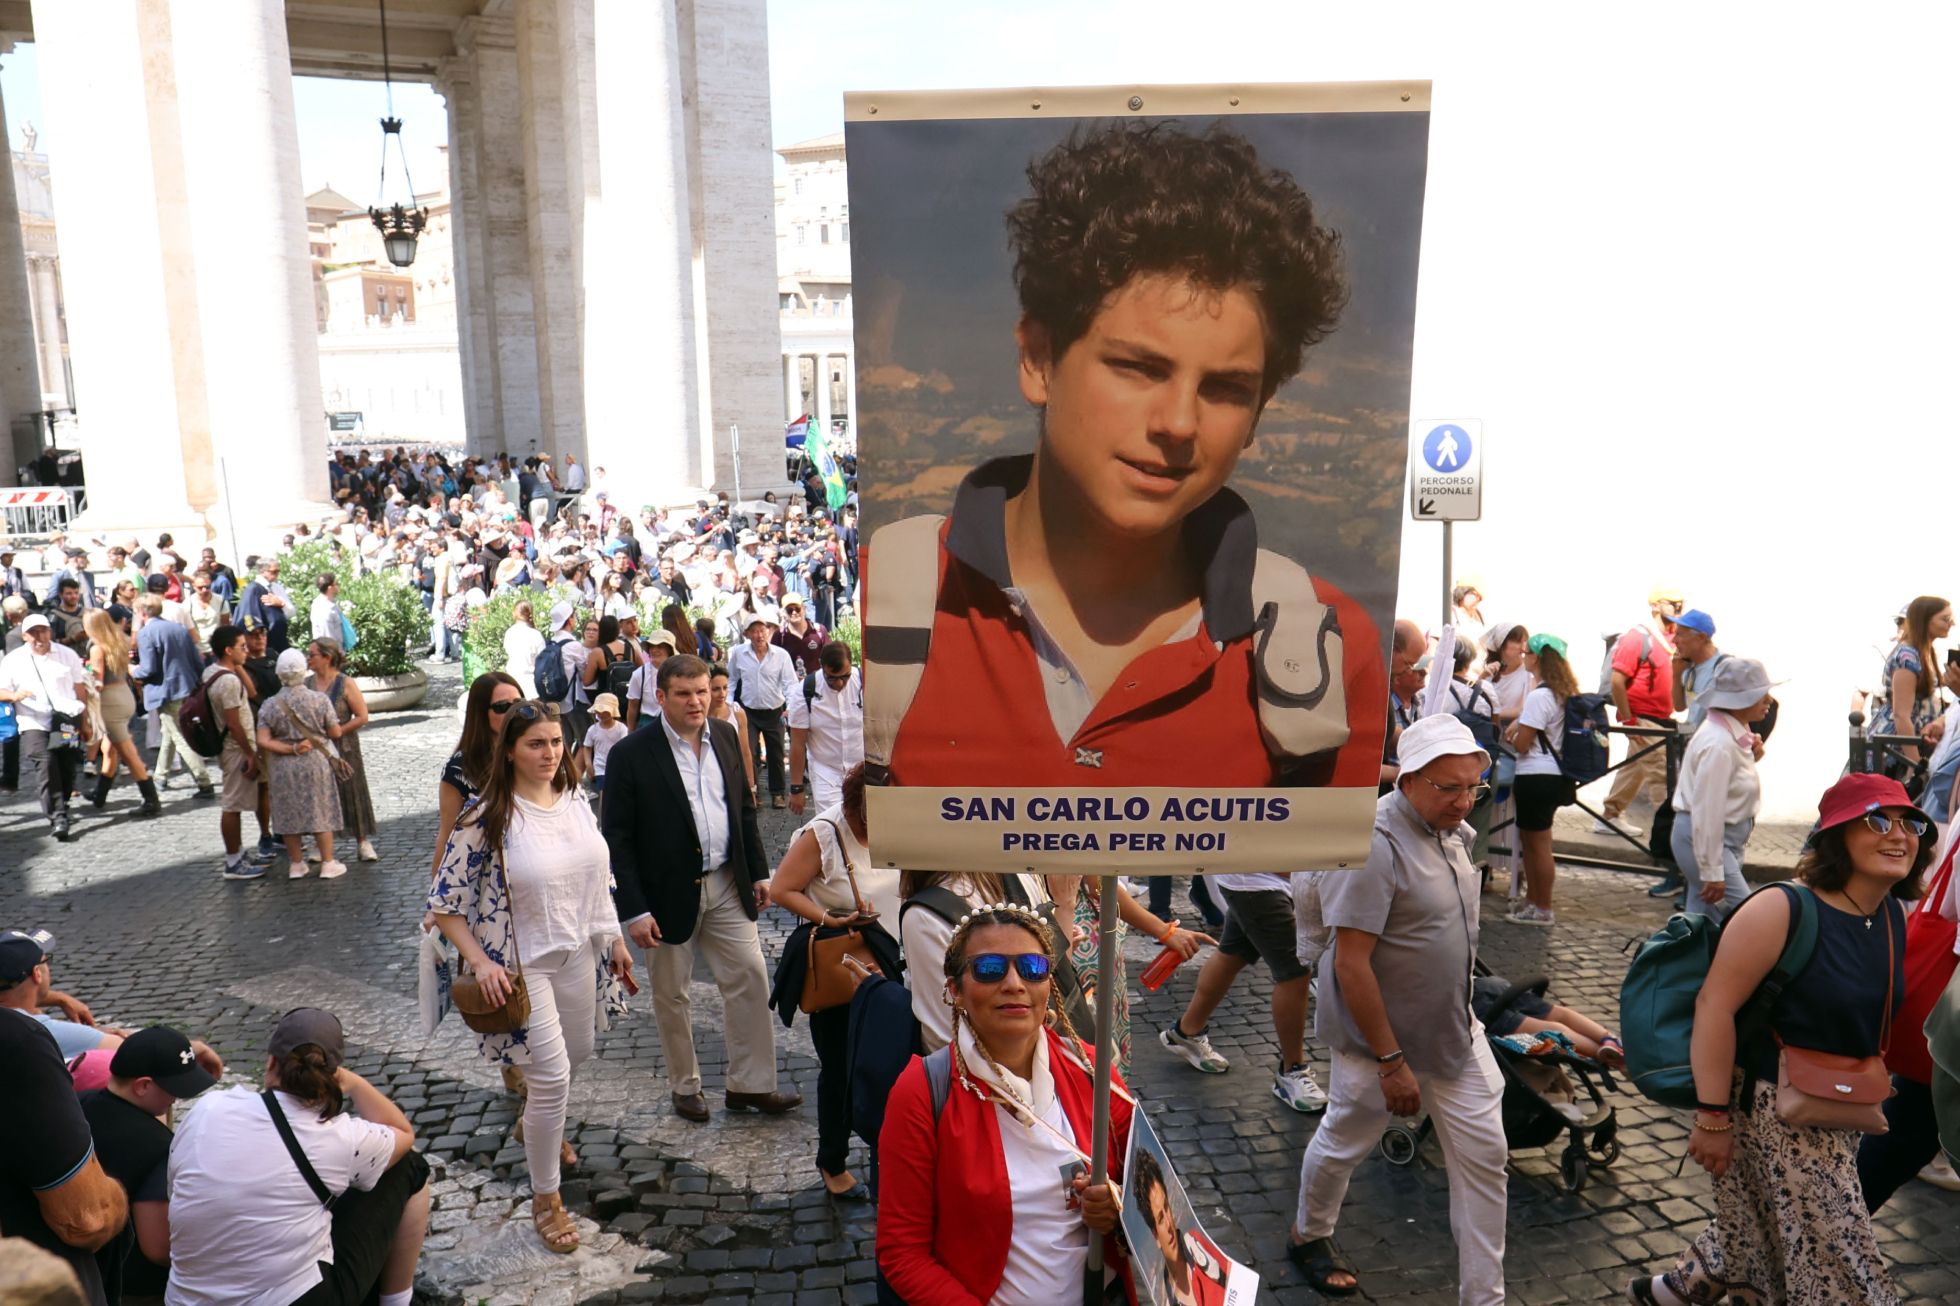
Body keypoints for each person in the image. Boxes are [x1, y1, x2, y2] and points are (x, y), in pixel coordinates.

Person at [866, 122, 1385, 792]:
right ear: (1039, 358)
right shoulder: (882, 599)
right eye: (1139, 368)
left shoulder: (1330, 649)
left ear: (1259, 411)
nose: (1178, 423)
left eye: (1226, 389)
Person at [1629, 773, 1920, 1306]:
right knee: (1843, 1264)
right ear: (1836, 837)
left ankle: (1675, 1291)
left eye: (1910, 823)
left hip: (1840, 1107)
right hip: (1770, 1108)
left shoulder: (1891, 915)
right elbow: (1714, 1008)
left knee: (1763, 1225)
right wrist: (1712, 1118)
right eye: (1879, 821)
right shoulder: (1781, 908)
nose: (1898, 835)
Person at [1289, 716, 1507, 1302]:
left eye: (1473, 788)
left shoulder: (1451, 832)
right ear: (1407, 780)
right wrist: (1390, 1061)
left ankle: (1485, 1298)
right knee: (1345, 1141)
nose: (1464, 801)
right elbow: (1350, 965)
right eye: (1449, 788)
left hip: (1455, 1032)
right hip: (1377, 1045)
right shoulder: (1372, 844)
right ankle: (1309, 1234)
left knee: (1487, 1161)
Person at [428, 700, 633, 1254]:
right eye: (536, 744)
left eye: (556, 742)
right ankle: (547, 1198)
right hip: (522, 969)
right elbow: (444, 903)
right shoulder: (485, 816)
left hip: (578, 954)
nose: (549, 754)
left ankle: (536, 1120)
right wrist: (480, 961)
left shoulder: (575, 801)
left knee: (579, 1053)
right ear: (511, 751)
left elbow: (599, 879)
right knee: (553, 1077)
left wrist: (613, 938)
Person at [876, 903, 1130, 1305]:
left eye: (1032, 968)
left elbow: (1148, 1192)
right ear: (955, 990)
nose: (1014, 983)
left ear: (1048, 983)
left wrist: (1116, 1209)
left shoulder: (1093, 1071)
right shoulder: (921, 1093)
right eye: (990, 968)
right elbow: (902, 1251)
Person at [600, 654, 800, 1122]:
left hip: (727, 881)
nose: (696, 701)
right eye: (684, 694)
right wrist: (633, 909)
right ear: (661, 697)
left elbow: (743, 808)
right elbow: (617, 838)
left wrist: (759, 872)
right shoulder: (631, 753)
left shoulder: (726, 734)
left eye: (703, 691)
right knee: (672, 994)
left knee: (750, 977)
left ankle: (751, 1085)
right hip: (664, 893)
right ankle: (685, 1085)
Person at [164, 1008, 431, 1306]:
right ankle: (398, 1302)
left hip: (185, 1300)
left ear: (270, 1063)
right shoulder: (341, 1139)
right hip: (285, 1299)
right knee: (408, 1165)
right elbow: (402, 1133)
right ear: (332, 1075)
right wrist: (355, 1083)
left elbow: (175, 1190)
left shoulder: (209, 1107)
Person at [767, 763, 897, 1200]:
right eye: (866, 820)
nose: (872, 830)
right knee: (841, 1067)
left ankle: (895, 1152)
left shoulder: (904, 827)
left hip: (898, 962)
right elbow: (782, 890)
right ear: (852, 807)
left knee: (899, 1064)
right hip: (844, 968)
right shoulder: (824, 834)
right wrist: (828, 918)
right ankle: (832, 1159)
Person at [1, 930, 129, 1306]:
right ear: (37, 974)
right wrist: (118, 1198)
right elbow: (86, 1221)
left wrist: (52, 998)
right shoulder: (18, 1042)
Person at [1160, 867, 1321, 1110]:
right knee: (1294, 972)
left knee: (1233, 954)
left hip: (1253, 881)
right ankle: (1292, 1070)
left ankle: (1187, 1031)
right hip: (1258, 882)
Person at [79, 1027, 219, 1304]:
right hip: (133, 1287)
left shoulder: (79, 1103)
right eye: (173, 1090)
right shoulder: (158, 1148)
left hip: (82, 1268)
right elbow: (157, 1247)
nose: (176, 1100)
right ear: (142, 1086)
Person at [1670, 659, 1775, 922]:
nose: (1769, 701)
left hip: (1716, 840)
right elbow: (1707, 810)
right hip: (1708, 839)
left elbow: (1725, 786)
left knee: (1702, 921)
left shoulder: (1728, 733)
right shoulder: (1719, 742)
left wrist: (1750, 754)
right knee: (1748, 918)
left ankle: (1691, 951)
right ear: (1739, 701)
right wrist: (1712, 871)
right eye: (1760, 694)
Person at [1505, 633, 1580, 926]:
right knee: (1537, 844)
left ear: (1537, 658)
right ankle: (1533, 902)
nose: (1523, 657)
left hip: (1535, 775)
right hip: (1554, 776)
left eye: (1527, 653)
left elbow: (1523, 744)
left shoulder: (1539, 696)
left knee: (1537, 847)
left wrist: (1513, 737)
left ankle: (1543, 907)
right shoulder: (1562, 694)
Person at [0, 613, 94, 841]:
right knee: (45, 763)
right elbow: (1, 690)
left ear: (50, 632)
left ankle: (64, 800)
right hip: (33, 720)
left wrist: (85, 721)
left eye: (43, 631)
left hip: (65, 718)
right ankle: (58, 816)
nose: (39, 637)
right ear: (25, 636)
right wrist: (14, 695)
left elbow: (80, 689)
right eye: (33, 633)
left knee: (66, 764)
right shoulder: (13, 660)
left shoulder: (67, 654)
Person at [1598, 586, 1682, 837]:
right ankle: (1668, 834)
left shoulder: (1674, 638)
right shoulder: (1637, 637)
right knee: (1661, 774)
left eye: (1680, 604)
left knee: (1636, 768)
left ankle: (1609, 815)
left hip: (1660, 718)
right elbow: (1617, 681)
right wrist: (1629, 719)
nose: (1678, 608)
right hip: (1643, 719)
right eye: (1672, 603)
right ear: (1655, 605)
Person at [258, 648, 347, 879]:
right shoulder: (319, 700)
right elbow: (335, 732)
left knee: (288, 813)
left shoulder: (269, 704)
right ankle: (328, 863)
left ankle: (296, 864)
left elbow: (263, 740)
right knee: (321, 810)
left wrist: (291, 748)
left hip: (283, 766)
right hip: (315, 762)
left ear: (279, 674)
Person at [81, 609, 161, 819]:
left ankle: (151, 799)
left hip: (110, 702)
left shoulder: (97, 648)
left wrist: (84, 674)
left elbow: (97, 681)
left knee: (128, 753)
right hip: (125, 695)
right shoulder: (122, 641)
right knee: (110, 749)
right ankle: (100, 794)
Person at [306, 639, 380, 863]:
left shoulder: (345, 683)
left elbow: (362, 716)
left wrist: (339, 731)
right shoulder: (307, 684)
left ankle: (362, 841)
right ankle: (321, 844)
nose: (308, 659)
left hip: (345, 747)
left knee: (352, 791)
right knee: (320, 795)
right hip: (317, 749)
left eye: (312, 654)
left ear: (327, 657)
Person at [134, 595, 215, 799]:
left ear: (142, 613)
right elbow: (196, 660)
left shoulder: (146, 633)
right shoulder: (178, 628)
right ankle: (160, 776)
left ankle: (204, 782)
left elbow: (148, 668)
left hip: (166, 692)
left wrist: (132, 670)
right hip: (186, 687)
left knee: (179, 737)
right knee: (169, 732)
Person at [1132, 1146, 1228, 1306]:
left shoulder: (1200, 1251)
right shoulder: (1164, 1298)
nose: (1169, 1224)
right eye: (1160, 1219)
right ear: (1155, 1235)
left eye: (1167, 1207)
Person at [1868, 594, 1952, 775]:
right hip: (1896, 750)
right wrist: (1915, 766)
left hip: (1908, 744)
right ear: (1925, 620)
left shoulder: (1924, 651)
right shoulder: (1908, 655)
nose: (1951, 623)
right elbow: (1901, 715)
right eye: (1945, 619)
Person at [786, 640, 863, 815]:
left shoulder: (864, 684)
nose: (839, 683)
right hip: (825, 771)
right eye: (832, 678)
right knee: (831, 824)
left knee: (863, 822)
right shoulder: (805, 691)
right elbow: (797, 743)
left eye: (845, 677)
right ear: (822, 666)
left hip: (861, 770)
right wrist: (796, 788)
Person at [729, 610, 795, 809]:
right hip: (748, 710)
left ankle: (778, 793)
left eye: (762, 630)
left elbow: (790, 684)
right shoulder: (738, 653)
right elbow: (731, 680)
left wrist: (791, 707)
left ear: (768, 631)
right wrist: (729, 704)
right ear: (747, 634)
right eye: (754, 631)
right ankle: (753, 791)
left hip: (774, 710)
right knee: (749, 752)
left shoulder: (781, 655)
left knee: (776, 754)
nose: (759, 635)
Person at [581, 692, 628, 817]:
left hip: (617, 766)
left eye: (605, 711)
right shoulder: (593, 729)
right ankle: (603, 821)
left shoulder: (621, 729)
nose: (601, 714)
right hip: (600, 767)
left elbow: (624, 747)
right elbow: (587, 747)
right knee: (604, 794)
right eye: (598, 711)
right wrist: (588, 763)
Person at [624, 628, 678, 729]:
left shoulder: (679, 673)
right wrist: (630, 732)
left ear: (669, 650)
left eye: (660, 646)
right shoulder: (639, 674)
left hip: (674, 724)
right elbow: (633, 707)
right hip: (647, 726)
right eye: (651, 646)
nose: (654, 650)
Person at [236, 557, 292, 654]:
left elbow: (292, 611)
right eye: (274, 572)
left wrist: (281, 604)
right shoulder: (253, 590)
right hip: (266, 644)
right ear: (263, 571)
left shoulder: (276, 587)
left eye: (278, 571)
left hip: (279, 641)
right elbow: (250, 618)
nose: (277, 575)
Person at [310, 573, 350, 649]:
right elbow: (327, 637)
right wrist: (336, 653)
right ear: (330, 588)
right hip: (330, 653)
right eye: (336, 584)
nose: (338, 586)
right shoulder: (324, 609)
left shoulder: (330, 603)